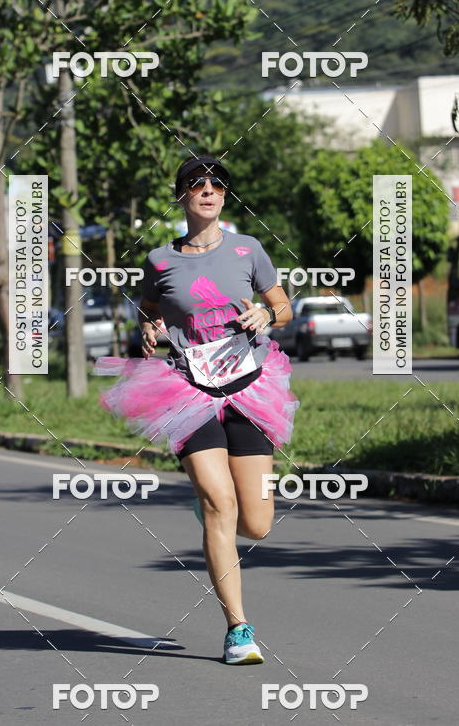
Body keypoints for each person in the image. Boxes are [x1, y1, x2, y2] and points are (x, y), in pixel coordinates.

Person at [94, 155, 299, 665]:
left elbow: (284, 307)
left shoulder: (249, 250)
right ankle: (238, 629)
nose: (208, 189)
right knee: (218, 502)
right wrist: (148, 329)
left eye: (216, 183)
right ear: (181, 194)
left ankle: (216, 509)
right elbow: (149, 309)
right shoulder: (161, 261)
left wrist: (265, 311)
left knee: (257, 522)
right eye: (196, 183)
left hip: (251, 387)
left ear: (224, 195)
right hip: (189, 390)